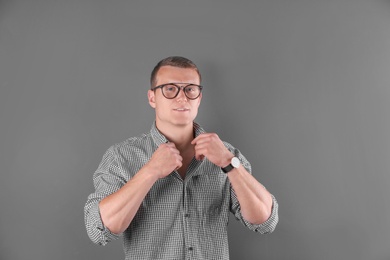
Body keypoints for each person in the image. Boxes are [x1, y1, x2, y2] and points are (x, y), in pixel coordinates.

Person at [84, 56, 278, 260]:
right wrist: (150, 171)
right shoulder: (122, 157)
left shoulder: (227, 155)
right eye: (170, 89)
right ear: (152, 98)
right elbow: (99, 230)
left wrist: (229, 163)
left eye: (190, 89)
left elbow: (265, 221)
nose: (182, 97)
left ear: (199, 98)